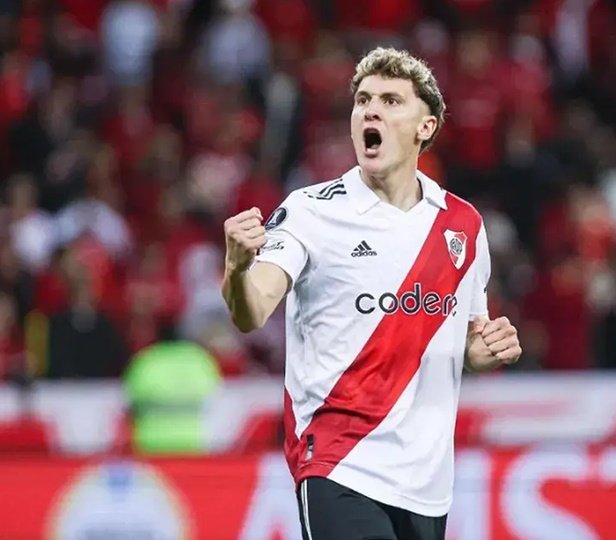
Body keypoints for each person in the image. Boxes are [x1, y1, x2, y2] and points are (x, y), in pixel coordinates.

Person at [221, 47, 522, 540]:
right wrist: (236, 266)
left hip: (427, 477)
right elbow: (251, 310)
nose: (371, 111)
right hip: (339, 461)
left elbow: (463, 337)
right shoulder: (310, 212)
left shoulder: (462, 225)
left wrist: (483, 350)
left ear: (426, 127)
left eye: (390, 100)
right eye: (363, 101)